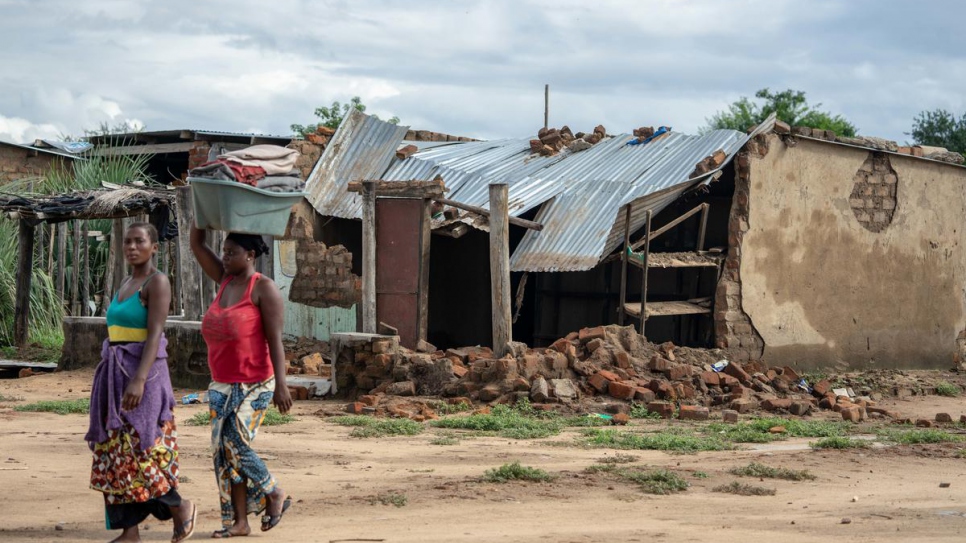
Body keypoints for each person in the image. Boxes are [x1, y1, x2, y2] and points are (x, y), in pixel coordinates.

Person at [86, 222, 197, 543]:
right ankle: (129, 531)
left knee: (143, 452)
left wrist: (139, 379)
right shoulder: (125, 283)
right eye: (127, 242)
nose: (132, 247)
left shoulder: (157, 282)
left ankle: (181, 508)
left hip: (145, 379)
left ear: (154, 247)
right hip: (115, 378)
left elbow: (155, 334)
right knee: (114, 454)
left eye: (139, 241)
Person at [190, 226, 293, 538]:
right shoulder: (223, 281)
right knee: (223, 455)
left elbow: (275, 341)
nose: (224, 256)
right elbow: (196, 243)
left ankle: (272, 491)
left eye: (231, 252)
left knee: (234, 442)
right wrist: (203, 206)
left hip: (256, 383)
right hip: (221, 384)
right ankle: (239, 522)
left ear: (250, 256)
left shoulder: (264, 289)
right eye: (223, 250)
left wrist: (282, 385)